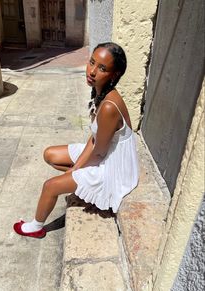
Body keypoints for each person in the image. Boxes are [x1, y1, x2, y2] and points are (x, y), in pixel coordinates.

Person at [14, 42, 139, 238]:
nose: (92, 71)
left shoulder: (108, 107)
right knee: (51, 155)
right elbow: (95, 139)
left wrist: (76, 170)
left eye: (102, 68)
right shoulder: (100, 92)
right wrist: (75, 169)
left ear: (114, 75)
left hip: (113, 166)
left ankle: (35, 227)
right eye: (92, 63)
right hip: (103, 151)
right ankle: (78, 183)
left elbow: (99, 152)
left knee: (50, 186)